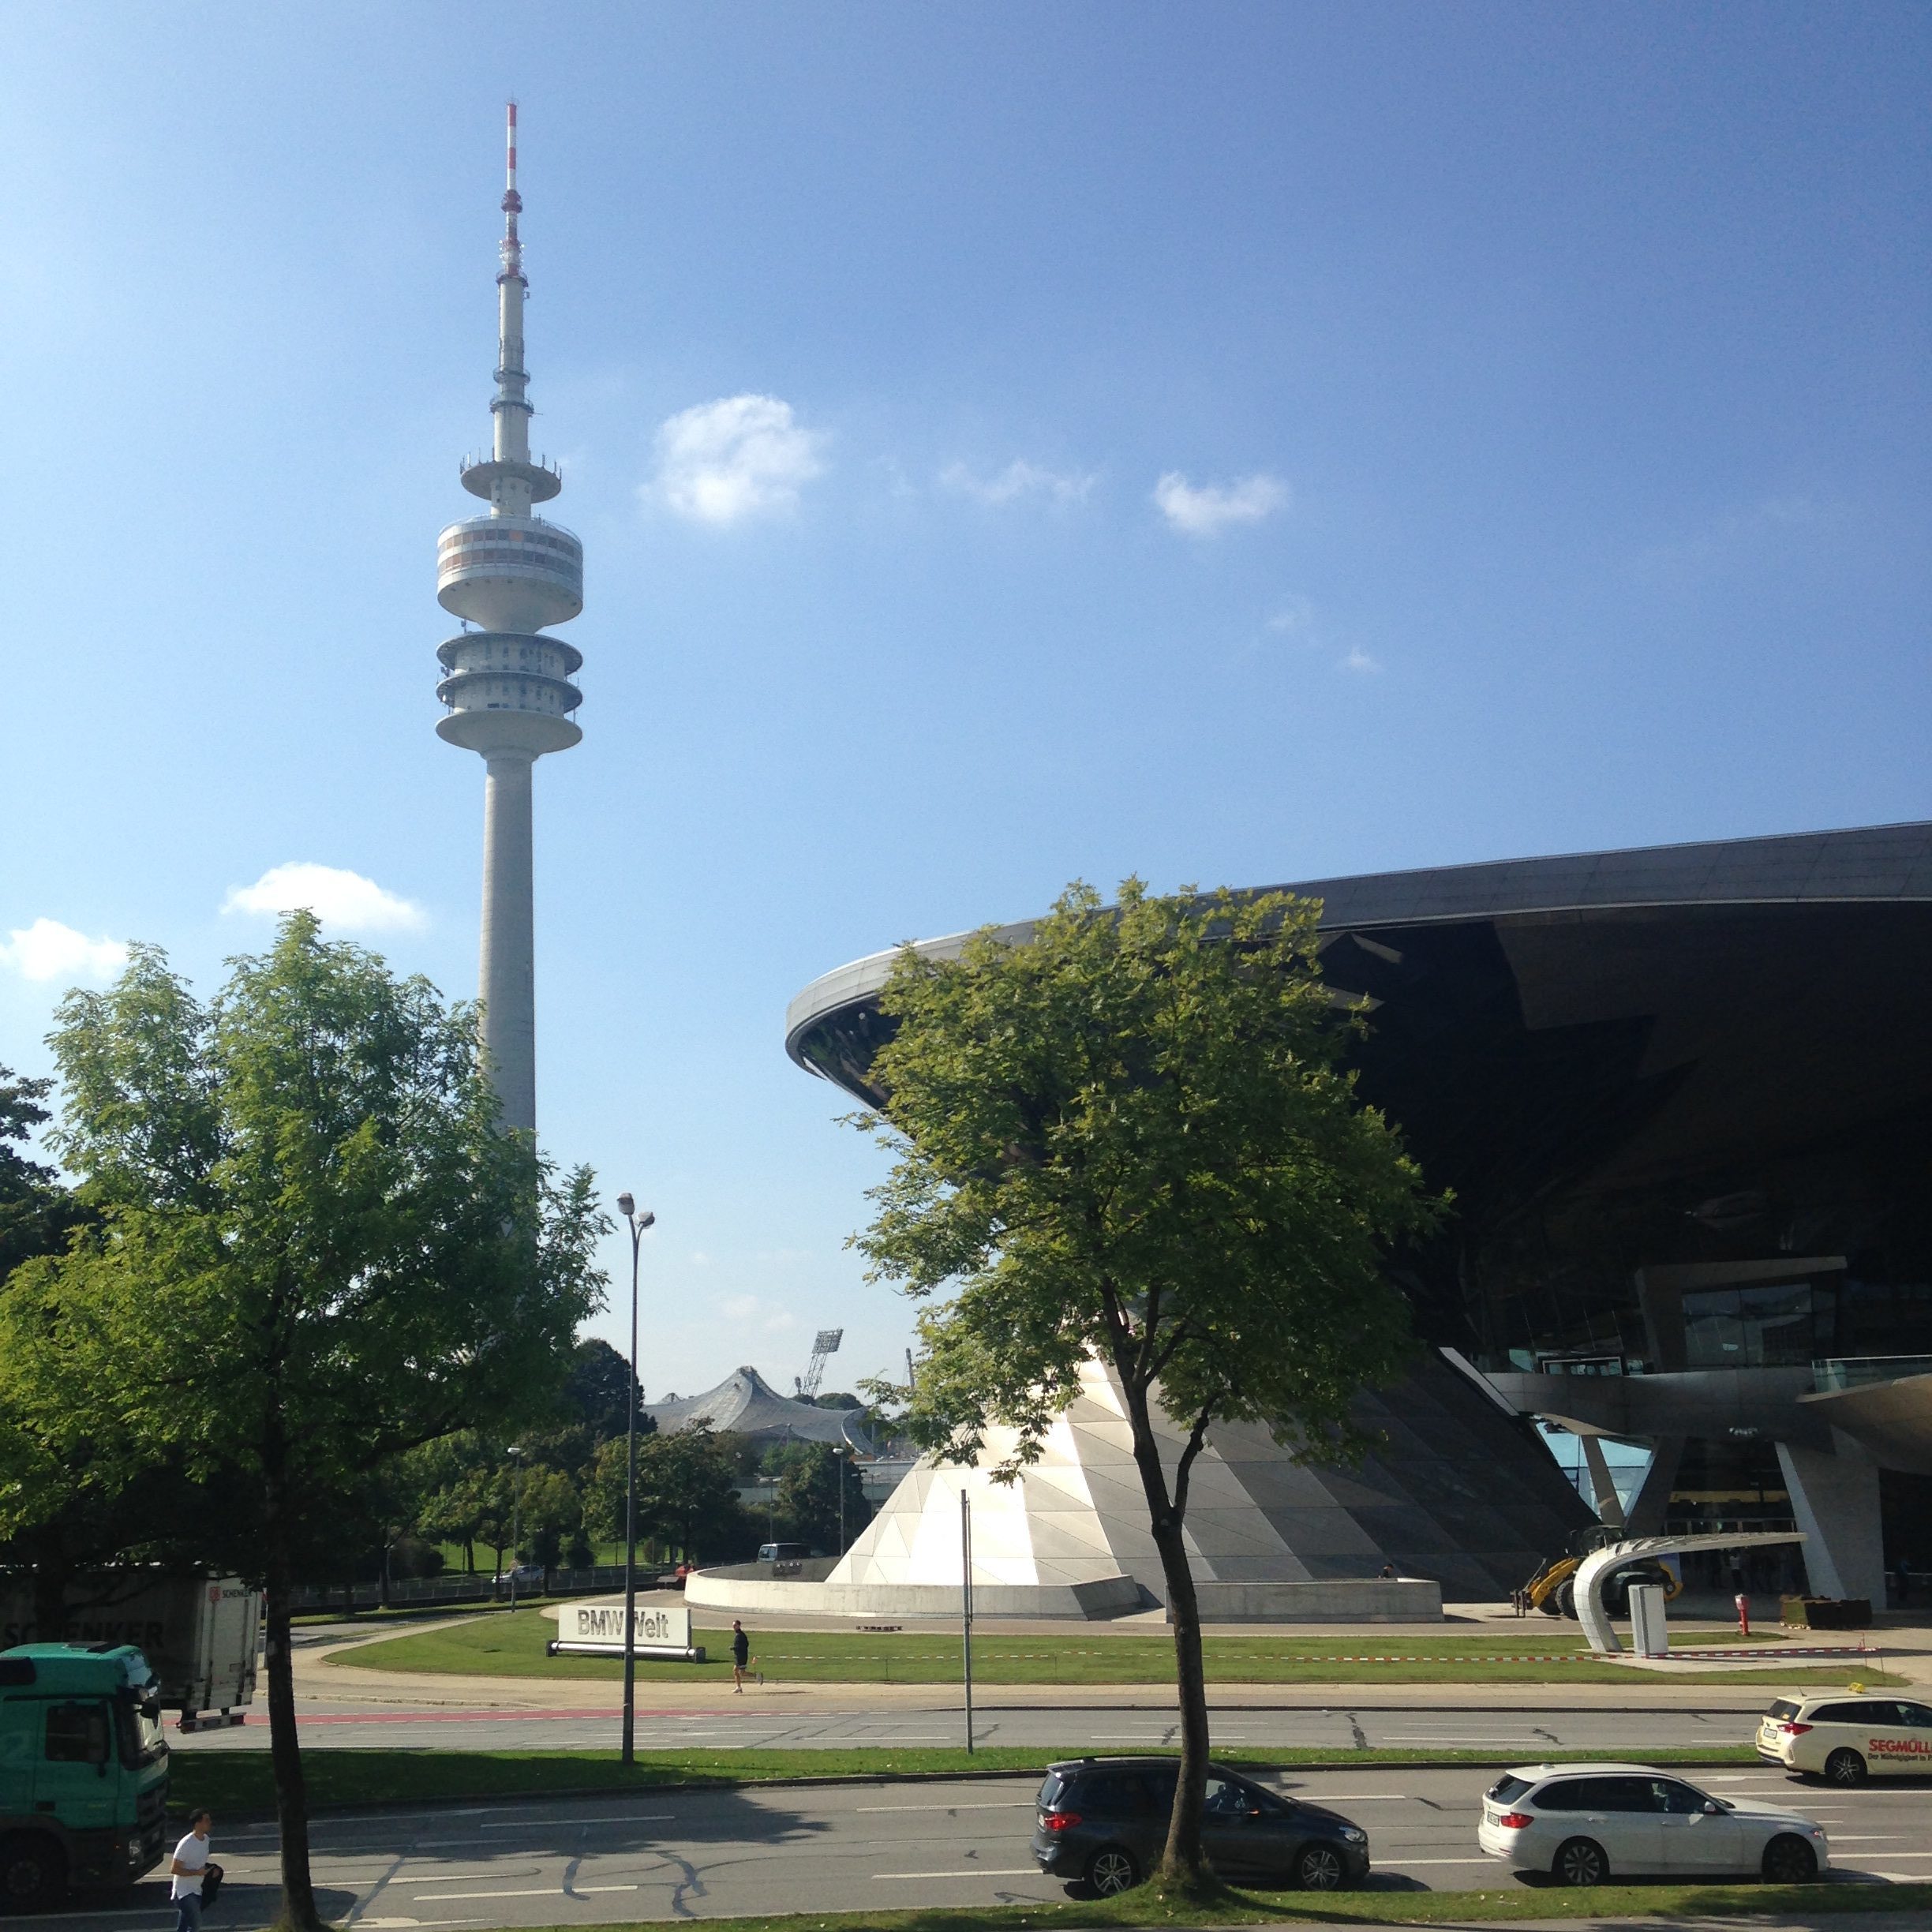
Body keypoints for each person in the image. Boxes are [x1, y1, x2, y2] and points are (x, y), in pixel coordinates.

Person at [170, 1810, 214, 1932]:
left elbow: (199, 1862)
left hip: (196, 1890)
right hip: (183, 1893)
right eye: (206, 1820)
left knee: (183, 1927)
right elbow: (174, 1869)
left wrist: (207, 1871)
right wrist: (196, 1872)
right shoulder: (186, 1843)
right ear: (197, 1823)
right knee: (196, 1923)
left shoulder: (206, 1840)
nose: (210, 1823)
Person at [731, 1618, 751, 1693]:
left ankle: (739, 1687)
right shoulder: (740, 1634)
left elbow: (742, 1646)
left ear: (738, 1626)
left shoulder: (740, 1635)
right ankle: (756, 1676)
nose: (733, 1627)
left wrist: (733, 1648)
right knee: (742, 1673)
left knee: (735, 1671)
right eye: (733, 1625)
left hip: (741, 1657)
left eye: (735, 1625)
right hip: (740, 1656)